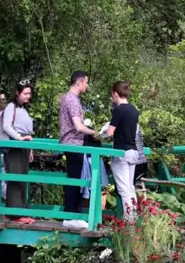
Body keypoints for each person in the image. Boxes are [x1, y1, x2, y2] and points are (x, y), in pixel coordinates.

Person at [59, 71, 98, 216]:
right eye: (86, 82)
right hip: (73, 143)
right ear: (79, 82)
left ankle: (71, 212)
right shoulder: (73, 100)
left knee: (74, 178)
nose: (87, 86)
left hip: (69, 143)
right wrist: (94, 132)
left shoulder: (66, 98)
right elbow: (78, 126)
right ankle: (71, 213)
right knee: (75, 180)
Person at [103, 81, 142, 220]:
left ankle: (129, 221)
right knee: (130, 187)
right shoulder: (134, 110)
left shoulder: (119, 110)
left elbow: (109, 133)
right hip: (133, 151)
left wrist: (102, 131)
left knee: (123, 189)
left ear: (115, 94)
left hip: (121, 153)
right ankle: (134, 217)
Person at [2, 84, 35, 217]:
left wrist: (30, 149)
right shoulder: (11, 106)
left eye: (29, 93)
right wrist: (19, 138)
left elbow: (29, 132)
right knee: (15, 178)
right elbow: (6, 126)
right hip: (14, 146)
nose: (28, 96)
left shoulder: (24, 109)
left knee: (22, 179)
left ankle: (20, 210)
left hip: (24, 147)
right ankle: (14, 213)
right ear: (17, 93)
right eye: (25, 93)